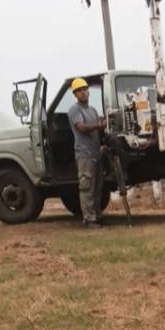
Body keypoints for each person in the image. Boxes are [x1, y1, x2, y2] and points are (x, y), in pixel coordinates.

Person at [67, 78, 107, 228]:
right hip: (84, 155)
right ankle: (88, 219)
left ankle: (97, 216)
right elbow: (81, 128)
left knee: (97, 188)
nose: (84, 92)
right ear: (75, 94)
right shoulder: (74, 110)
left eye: (85, 89)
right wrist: (99, 125)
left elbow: (99, 130)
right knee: (87, 188)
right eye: (80, 90)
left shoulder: (93, 110)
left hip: (96, 154)